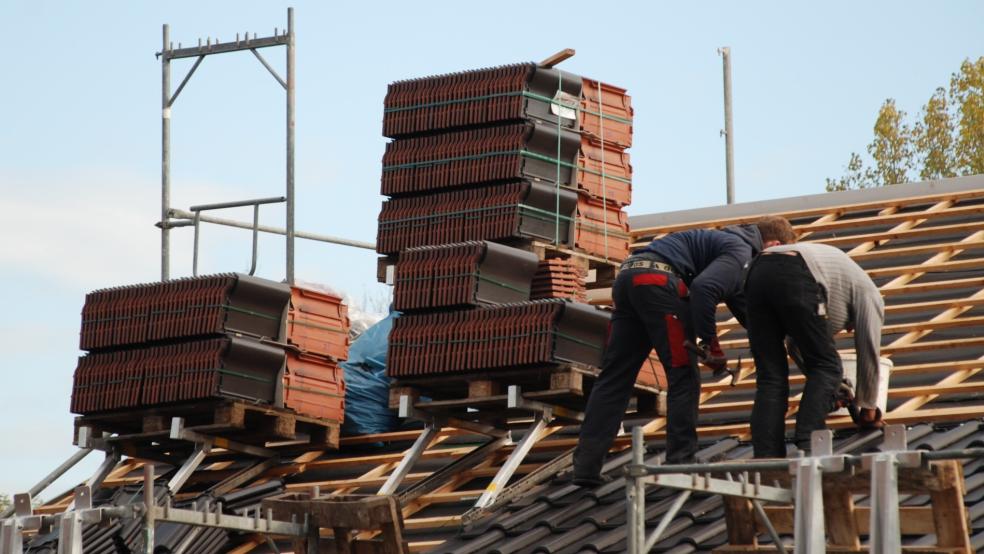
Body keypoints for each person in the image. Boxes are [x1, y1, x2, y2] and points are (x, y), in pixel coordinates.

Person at [571, 216, 795, 486]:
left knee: (615, 378)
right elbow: (704, 288)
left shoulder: (725, 243)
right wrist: (710, 345)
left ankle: (586, 466)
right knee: (684, 376)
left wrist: (786, 337)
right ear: (773, 244)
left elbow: (748, 311)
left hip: (629, 277)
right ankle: (681, 460)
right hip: (658, 282)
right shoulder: (740, 252)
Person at [746, 240, 885, 458]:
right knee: (829, 367)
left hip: (757, 272)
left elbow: (797, 342)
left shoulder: (839, 286)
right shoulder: (870, 295)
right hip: (796, 271)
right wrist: (868, 408)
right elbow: (868, 350)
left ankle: (767, 458)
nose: (848, 330)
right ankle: (811, 445)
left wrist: (832, 389)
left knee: (770, 378)